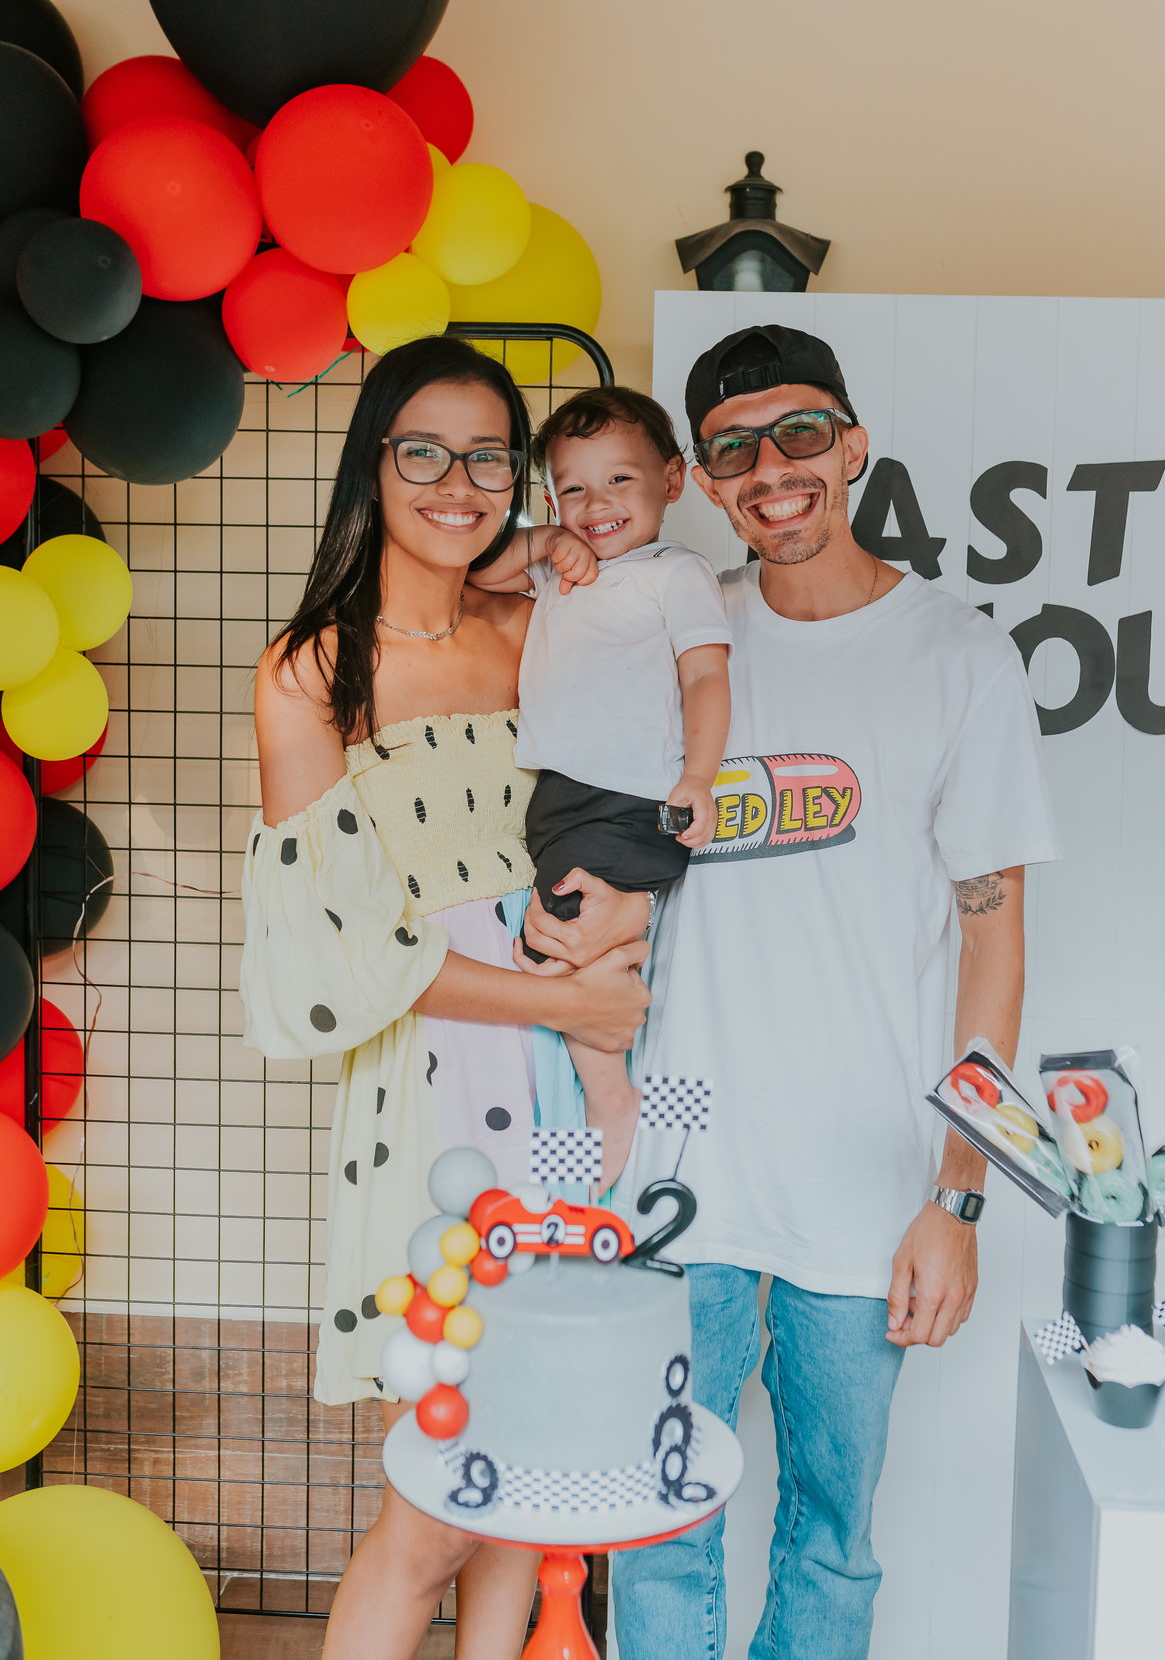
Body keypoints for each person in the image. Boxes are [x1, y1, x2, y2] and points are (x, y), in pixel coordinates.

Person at [611, 324, 1061, 1660]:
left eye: (803, 432)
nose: (775, 468)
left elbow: (994, 941)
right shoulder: (672, 648)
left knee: (830, 1530)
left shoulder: (956, 658)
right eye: (737, 447)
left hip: (867, 1184)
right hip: (676, 1168)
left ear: (854, 445)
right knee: (658, 1515)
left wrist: (959, 1193)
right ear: (703, 478)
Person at [239, 336, 652, 1660]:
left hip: (561, 1073)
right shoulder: (312, 671)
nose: (458, 480)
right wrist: (570, 1012)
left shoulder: (539, 630)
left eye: (489, 454)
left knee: (524, 1491)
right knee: (431, 1504)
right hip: (434, 1098)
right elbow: (354, 949)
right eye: (424, 448)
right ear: (376, 461)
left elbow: (631, 801)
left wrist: (566, 562)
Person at [470, 385, 732, 1191]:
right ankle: (611, 1145)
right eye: (572, 487)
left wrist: (698, 775)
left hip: (627, 797)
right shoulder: (559, 571)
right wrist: (543, 539)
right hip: (562, 796)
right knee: (578, 948)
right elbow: (476, 574)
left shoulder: (674, 572)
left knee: (557, 942)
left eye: (619, 481)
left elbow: (706, 678)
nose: (596, 504)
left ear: (673, 481)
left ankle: (611, 1098)